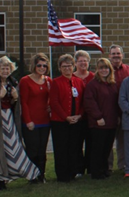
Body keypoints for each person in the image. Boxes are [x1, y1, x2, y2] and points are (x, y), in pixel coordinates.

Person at [0, 56, 41, 191]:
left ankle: (15, 177)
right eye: (3, 68)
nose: (5, 71)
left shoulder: (12, 82)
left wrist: (15, 98)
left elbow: (14, 104)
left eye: (7, 68)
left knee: (13, 148)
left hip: (9, 119)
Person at [50, 54, 85, 182]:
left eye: (69, 66)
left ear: (73, 66)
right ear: (60, 68)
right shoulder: (56, 82)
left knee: (74, 147)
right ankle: (62, 175)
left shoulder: (79, 82)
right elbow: (54, 102)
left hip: (76, 120)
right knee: (61, 148)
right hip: (60, 122)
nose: (67, 69)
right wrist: (66, 117)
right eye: (64, 66)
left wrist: (79, 115)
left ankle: (73, 172)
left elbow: (84, 101)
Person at [83, 58, 119, 180]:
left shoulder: (112, 84)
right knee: (98, 148)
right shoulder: (92, 85)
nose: (104, 70)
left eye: (106, 68)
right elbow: (89, 102)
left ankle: (104, 169)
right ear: (97, 70)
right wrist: (98, 116)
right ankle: (96, 172)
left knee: (107, 148)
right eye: (101, 68)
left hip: (111, 122)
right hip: (98, 122)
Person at [18, 53, 51, 183]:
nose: (42, 68)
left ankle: (41, 174)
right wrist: (28, 121)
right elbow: (24, 102)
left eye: (44, 66)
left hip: (45, 121)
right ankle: (32, 175)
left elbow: (52, 98)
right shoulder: (25, 81)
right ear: (34, 66)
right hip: (31, 121)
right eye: (39, 65)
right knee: (32, 150)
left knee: (42, 150)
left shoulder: (48, 81)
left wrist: (50, 107)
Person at [108, 44, 129, 173]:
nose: (116, 56)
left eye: (118, 53)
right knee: (108, 141)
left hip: (125, 111)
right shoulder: (105, 70)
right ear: (109, 56)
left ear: (122, 55)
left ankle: (123, 165)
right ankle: (108, 166)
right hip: (109, 111)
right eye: (113, 54)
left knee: (123, 141)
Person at [73, 49, 94, 177]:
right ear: (75, 63)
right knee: (77, 144)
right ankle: (79, 169)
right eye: (80, 61)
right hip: (76, 116)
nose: (83, 63)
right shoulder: (72, 77)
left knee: (91, 143)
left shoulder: (93, 77)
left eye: (85, 61)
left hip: (91, 116)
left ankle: (91, 168)